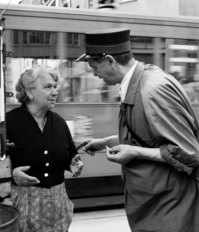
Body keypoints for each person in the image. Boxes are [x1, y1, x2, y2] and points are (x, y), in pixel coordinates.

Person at [75, 28, 199, 232]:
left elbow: (188, 152)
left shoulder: (152, 91)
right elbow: (150, 135)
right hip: (160, 203)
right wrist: (108, 141)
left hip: (170, 207)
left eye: (94, 66)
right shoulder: (142, 80)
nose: (95, 74)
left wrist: (134, 152)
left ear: (110, 61)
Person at [6, 65, 83, 232]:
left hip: (58, 208)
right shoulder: (9, 122)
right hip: (24, 206)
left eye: (55, 87)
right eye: (48, 87)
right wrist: (11, 173)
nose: (55, 92)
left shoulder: (59, 122)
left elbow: (71, 153)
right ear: (29, 92)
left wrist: (73, 163)